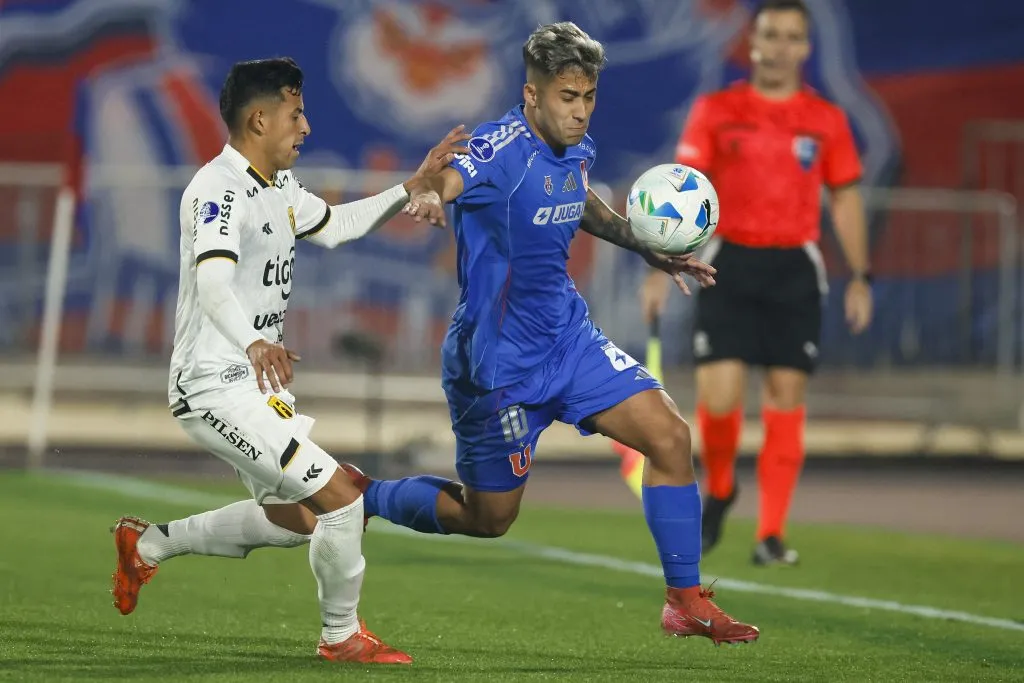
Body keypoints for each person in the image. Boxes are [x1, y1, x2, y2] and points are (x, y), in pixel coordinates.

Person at [342, 22, 760, 646]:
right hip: (497, 364)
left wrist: (646, 245)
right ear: (532, 95)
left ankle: (685, 600)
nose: (582, 111)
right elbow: (448, 180)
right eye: (569, 97)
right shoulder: (496, 148)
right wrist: (428, 194)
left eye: (589, 97)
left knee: (671, 437)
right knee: (489, 518)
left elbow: (578, 198)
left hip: (569, 340)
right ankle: (365, 497)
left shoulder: (575, 147)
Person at [108, 57, 468, 665]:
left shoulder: (277, 187)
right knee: (342, 497)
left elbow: (336, 226)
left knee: (302, 517)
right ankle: (340, 637)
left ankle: (148, 546)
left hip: (250, 382)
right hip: (211, 384)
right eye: (294, 113)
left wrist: (410, 186)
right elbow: (215, 283)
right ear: (258, 118)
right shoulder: (217, 190)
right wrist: (253, 340)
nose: (305, 126)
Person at [634, 0, 873, 566]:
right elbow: (681, 192)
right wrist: (661, 266)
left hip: (795, 268)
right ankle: (720, 486)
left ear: (806, 47)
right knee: (720, 397)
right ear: (754, 41)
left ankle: (770, 534)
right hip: (728, 264)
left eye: (794, 37)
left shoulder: (826, 119)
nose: (782, 46)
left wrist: (861, 276)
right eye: (772, 35)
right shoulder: (718, 109)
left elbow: (845, 197)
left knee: (786, 398)